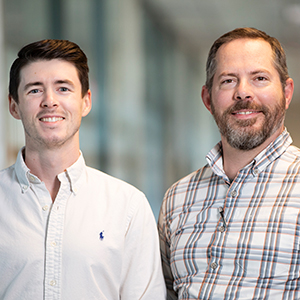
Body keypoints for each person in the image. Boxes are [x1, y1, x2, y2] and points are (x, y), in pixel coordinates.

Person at [0, 39, 166, 299]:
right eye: (34, 90)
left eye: (63, 88)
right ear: (13, 106)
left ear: (86, 102)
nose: (49, 101)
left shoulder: (128, 206)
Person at [158, 27, 300, 299]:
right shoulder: (177, 198)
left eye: (259, 78)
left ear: (287, 92)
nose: (243, 93)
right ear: (208, 98)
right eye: (228, 81)